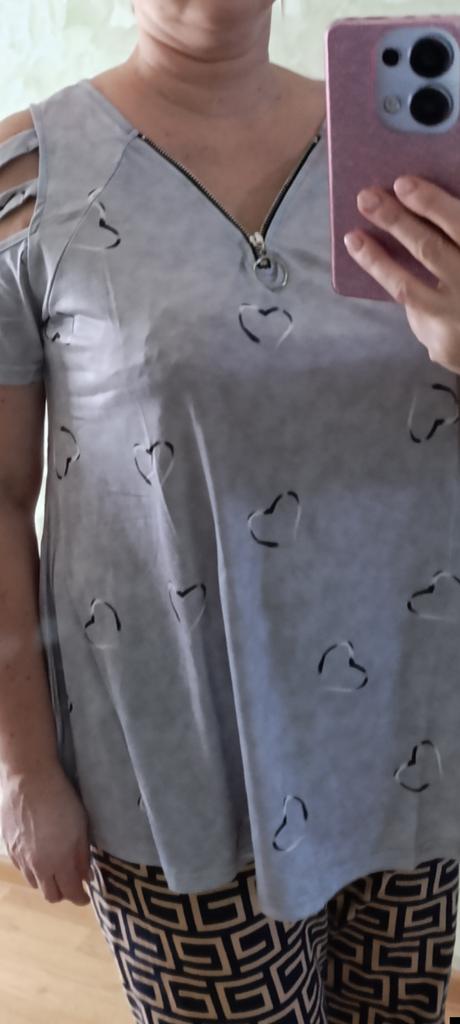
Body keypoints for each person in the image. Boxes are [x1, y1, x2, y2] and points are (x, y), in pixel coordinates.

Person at [0, 1, 459, 1021]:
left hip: (414, 742)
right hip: (176, 759)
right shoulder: (28, 175)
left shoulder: (420, 161)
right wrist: (22, 765)